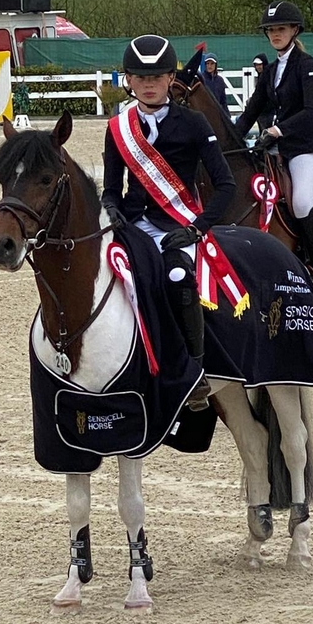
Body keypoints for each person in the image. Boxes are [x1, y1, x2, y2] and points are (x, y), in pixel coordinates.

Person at [102, 34, 236, 410]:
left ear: (169, 80)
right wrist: (111, 209)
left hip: (181, 224)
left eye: (157, 77)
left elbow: (225, 185)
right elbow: (111, 188)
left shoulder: (193, 123)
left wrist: (198, 227)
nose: (148, 84)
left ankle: (195, 372)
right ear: (128, 80)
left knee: (177, 278)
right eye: (140, 77)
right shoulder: (118, 130)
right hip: (133, 226)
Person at [236, 0, 313, 295]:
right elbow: (252, 110)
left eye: (281, 29)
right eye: (271, 30)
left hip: (306, 147)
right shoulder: (271, 70)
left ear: (294, 30)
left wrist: (278, 129)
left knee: (301, 202)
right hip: (278, 148)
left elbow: (310, 112)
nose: (275, 34)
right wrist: (227, 140)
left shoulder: (308, 66)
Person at [251, 53, 275, 133]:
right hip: (261, 110)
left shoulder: (268, 77)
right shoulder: (260, 77)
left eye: (260, 64)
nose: (258, 67)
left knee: (266, 131)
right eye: (256, 65)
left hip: (267, 110)